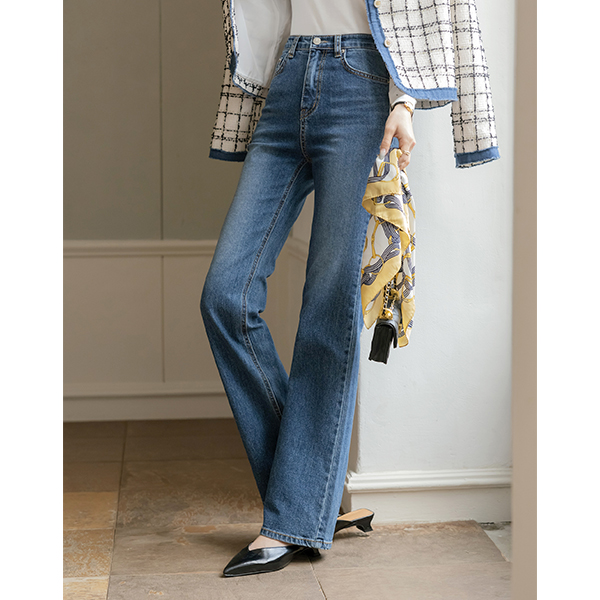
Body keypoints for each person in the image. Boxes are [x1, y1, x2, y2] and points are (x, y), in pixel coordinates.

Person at [200, 0, 499, 578]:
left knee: (327, 305)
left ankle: (291, 518)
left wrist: (404, 101)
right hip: (287, 78)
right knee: (225, 296)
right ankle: (314, 497)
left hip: (361, 82)